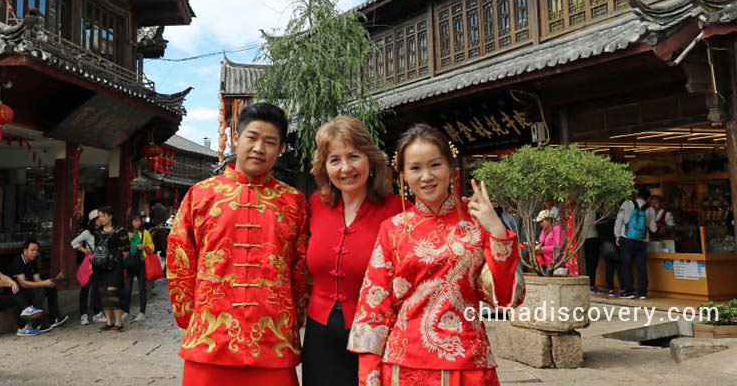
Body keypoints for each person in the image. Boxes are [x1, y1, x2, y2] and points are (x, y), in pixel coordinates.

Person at [347, 124, 524, 385]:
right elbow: (374, 308)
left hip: (467, 364)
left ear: (451, 168)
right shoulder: (392, 230)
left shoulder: (477, 225)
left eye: (435, 165)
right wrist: (369, 375)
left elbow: (507, 298)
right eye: (415, 168)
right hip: (403, 365)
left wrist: (497, 230)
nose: (426, 176)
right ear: (403, 175)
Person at [167, 102, 310, 385]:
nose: (259, 147)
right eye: (252, 137)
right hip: (209, 341)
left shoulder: (293, 202)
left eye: (270, 142)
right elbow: (180, 260)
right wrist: (186, 322)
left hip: (274, 341)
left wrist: (294, 319)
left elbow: (301, 268)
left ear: (281, 149)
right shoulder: (202, 195)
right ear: (236, 137)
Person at [303, 116, 408, 386]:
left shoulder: (399, 210)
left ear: (371, 160)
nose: (345, 168)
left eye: (353, 156)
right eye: (334, 159)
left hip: (377, 338)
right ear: (324, 168)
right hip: (318, 338)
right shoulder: (315, 204)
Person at [8, 238, 68, 332]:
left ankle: (54, 317)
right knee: (40, 290)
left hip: (30, 288)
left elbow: (37, 280)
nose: (35, 253)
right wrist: (43, 283)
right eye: (32, 250)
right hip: (19, 292)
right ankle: (37, 323)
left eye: (37, 250)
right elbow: (23, 284)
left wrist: (50, 282)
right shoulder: (18, 262)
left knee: (50, 288)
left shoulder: (33, 261)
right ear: (25, 250)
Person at [614, 187, 657, 300]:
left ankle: (629, 291)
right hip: (642, 241)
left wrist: (617, 235)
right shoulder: (650, 209)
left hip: (626, 238)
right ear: (648, 198)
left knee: (626, 265)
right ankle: (642, 292)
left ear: (637, 195)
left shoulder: (627, 204)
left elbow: (619, 219)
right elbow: (653, 229)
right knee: (641, 266)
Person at [92, 205, 130, 331]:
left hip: (114, 267)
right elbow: (97, 248)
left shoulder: (120, 230)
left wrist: (116, 261)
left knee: (113, 293)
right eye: (99, 216)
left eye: (103, 216)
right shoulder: (98, 231)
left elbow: (126, 249)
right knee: (103, 294)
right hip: (101, 266)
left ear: (110, 216)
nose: (101, 219)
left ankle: (118, 322)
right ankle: (109, 322)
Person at [71, 209, 106, 325]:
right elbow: (74, 242)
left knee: (97, 289)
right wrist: (83, 250)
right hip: (90, 263)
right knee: (85, 288)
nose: (101, 220)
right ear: (93, 221)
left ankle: (97, 313)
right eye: (98, 218)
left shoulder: (103, 231)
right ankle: (83, 314)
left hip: (100, 262)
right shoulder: (87, 233)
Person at [122, 213, 154, 322]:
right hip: (129, 263)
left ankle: (142, 312)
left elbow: (152, 246)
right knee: (127, 288)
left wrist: (145, 246)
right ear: (131, 222)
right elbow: (120, 247)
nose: (138, 223)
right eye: (135, 221)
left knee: (142, 288)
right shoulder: (126, 233)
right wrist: (128, 239)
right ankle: (126, 311)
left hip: (141, 262)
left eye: (139, 221)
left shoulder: (144, 233)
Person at [584, 208, 601, 294]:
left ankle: (589, 284)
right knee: (592, 262)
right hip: (593, 237)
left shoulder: (583, 210)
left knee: (589, 262)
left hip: (585, 238)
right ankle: (591, 285)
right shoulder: (593, 210)